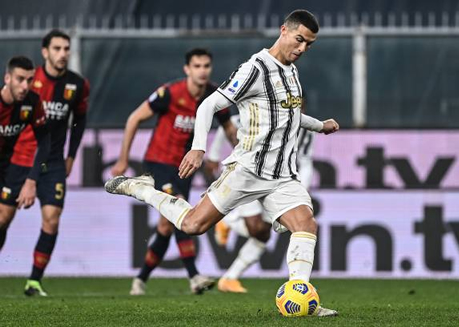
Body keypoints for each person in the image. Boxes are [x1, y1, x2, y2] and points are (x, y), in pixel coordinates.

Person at [105, 10, 339, 316]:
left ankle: (302, 297)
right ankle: (141, 188)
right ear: (284, 30)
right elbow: (208, 105)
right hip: (247, 170)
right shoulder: (255, 68)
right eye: (299, 40)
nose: (302, 49)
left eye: (309, 44)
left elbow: (289, 113)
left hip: (282, 176)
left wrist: (319, 125)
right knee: (192, 225)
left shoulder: (292, 72)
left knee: (306, 224)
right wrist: (199, 148)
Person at [110, 48, 237, 295]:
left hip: (184, 168)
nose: (202, 71)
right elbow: (134, 118)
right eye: (197, 66)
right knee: (180, 208)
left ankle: (140, 280)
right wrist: (123, 158)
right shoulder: (170, 94)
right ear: (187, 69)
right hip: (158, 163)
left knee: (167, 225)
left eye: (206, 66)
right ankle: (194, 276)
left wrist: (243, 154)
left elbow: (230, 129)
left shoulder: (214, 97)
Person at [13, 29, 90, 297]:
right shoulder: (29, 83)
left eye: (66, 49)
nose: (63, 54)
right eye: (57, 49)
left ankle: (34, 281)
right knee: (3, 218)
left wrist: (71, 156)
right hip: (19, 159)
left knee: (52, 219)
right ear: (45, 52)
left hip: (53, 161)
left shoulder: (77, 85)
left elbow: (79, 123)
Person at [205, 110, 315, 293]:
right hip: (247, 176)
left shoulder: (304, 128)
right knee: (256, 227)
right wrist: (214, 156)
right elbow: (229, 124)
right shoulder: (258, 114)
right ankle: (228, 221)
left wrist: (302, 188)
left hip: (278, 181)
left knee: (264, 233)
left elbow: (305, 160)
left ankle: (229, 278)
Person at [0, 56, 50, 274]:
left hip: (7, 165)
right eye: (20, 79)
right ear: (7, 78)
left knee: (4, 218)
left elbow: (45, 141)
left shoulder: (32, 102)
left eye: (29, 80)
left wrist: (31, 180)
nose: (24, 86)